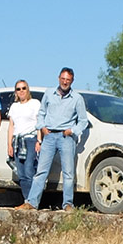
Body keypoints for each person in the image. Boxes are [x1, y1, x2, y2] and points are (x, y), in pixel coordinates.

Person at [25, 67, 88, 210]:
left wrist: (72, 131)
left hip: (66, 137)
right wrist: (42, 127)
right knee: (41, 171)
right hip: (49, 136)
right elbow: (41, 113)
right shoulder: (49, 93)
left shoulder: (77, 98)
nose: (65, 82)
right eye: (63, 79)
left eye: (68, 80)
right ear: (59, 78)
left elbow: (83, 121)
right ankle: (32, 202)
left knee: (68, 173)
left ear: (72, 81)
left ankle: (68, 204)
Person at [4, 79, 40, 208]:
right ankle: (26, 200)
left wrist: (39, 141)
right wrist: (9, 144)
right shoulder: (14, 106)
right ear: (16, 92)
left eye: (23, 88)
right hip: (18, 142)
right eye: (18, 89)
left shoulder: (35, 103)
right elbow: (11, 126)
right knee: (21, 172)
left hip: (31, 139)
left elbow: (39, 123)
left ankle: (33, 200)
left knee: (30, 170)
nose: (21, 91)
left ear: (27, 89)